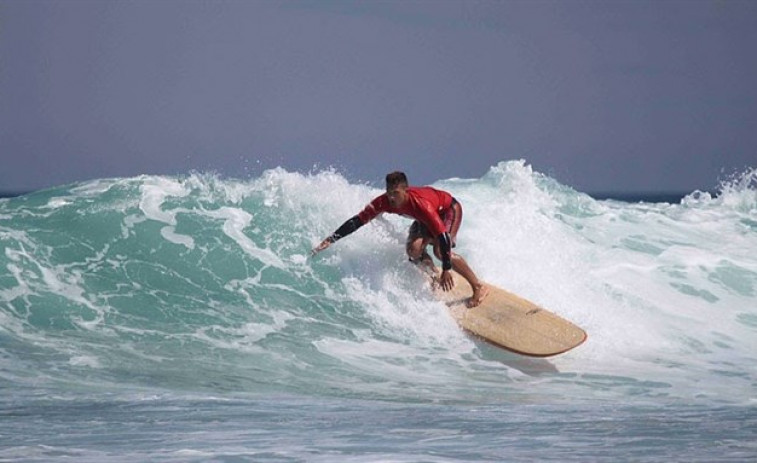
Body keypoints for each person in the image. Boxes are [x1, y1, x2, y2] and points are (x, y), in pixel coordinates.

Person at [312, 171, 489, 308]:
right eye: (389, 193)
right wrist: (332, 238)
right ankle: (434, 275)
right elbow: (358, 221)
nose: (391, 197)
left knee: (440, 251)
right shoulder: (383, 202)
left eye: (396, 193)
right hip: (424, 220)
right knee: (413, 251)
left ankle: (478, 287)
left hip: (448, 211)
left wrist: (447, 269)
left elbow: (442, 236)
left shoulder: (421, 204)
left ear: (406, 190)